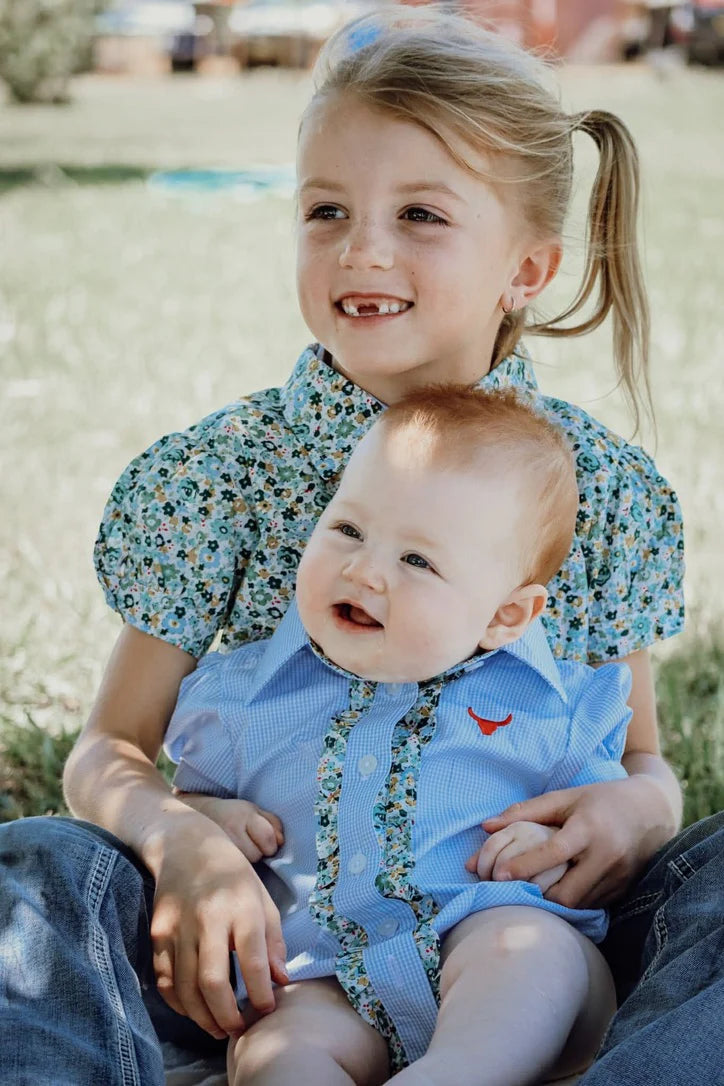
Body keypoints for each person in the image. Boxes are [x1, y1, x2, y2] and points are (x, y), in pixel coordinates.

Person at [1, 8, 719, 1086]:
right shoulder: (226, 472)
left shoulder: (598, 491)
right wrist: (176, 838)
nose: (361, 249)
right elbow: (109, 748)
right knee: (41, 870)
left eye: (420, 214)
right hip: (269, 957)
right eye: (325, 209)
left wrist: (640, 808)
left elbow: (645, 759)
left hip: (519, 927)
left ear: (527, 269)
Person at [166, 384, 632, 1085]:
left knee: (531, 952)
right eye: (348, 530)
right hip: (322, 972)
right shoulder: (243, 698)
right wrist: (209, 819)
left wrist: (549, 844)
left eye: (417, 561)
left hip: (488, 943)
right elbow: (181, 811)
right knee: (278, 1047)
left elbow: (600, 834)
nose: (363, 570)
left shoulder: (554, 709)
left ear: (504, 617)